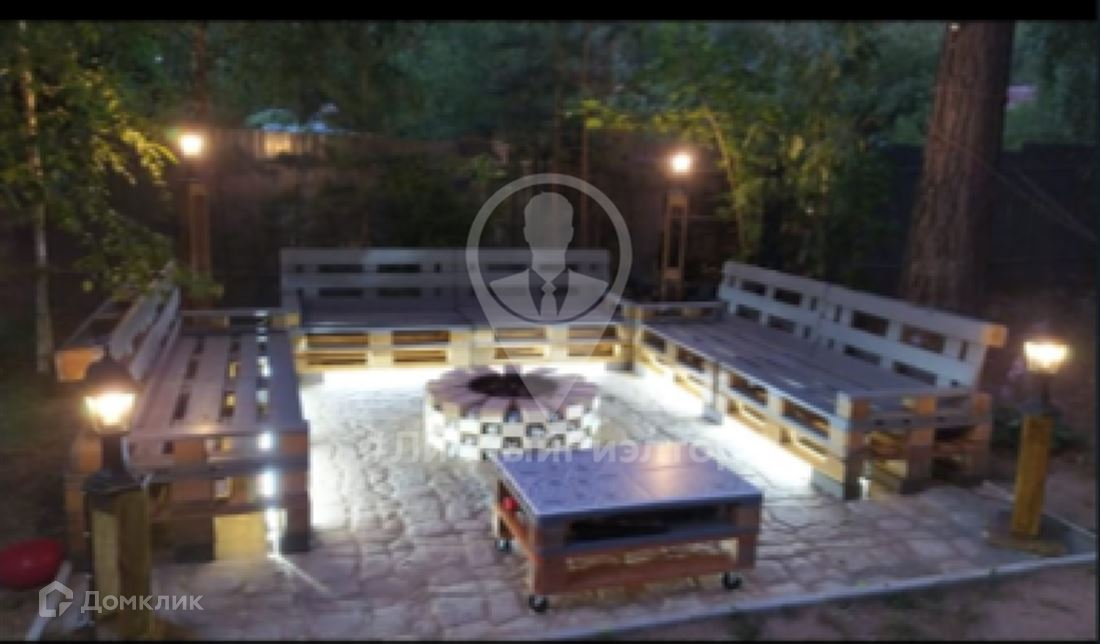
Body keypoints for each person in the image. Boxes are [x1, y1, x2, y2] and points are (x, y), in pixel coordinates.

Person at [489, 192, 608, 322]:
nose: (550, 237)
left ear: (570, 233)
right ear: (526, 233)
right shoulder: (502, 290)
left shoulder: (590, 289)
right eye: (539, 230)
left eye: (560, 229)